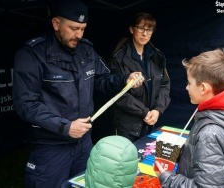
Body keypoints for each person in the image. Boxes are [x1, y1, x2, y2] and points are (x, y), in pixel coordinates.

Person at [12, 0, 144, 187]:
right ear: (56, 24)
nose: (79, 35)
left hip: (84, 144)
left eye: (83, 29)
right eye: (74, 28)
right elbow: (25, 104)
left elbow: (102, 80)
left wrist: (124, 80)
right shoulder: (33, 54)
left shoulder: (86, 49)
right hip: (52, 147)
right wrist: (65, 127)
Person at [154, 48, 224, 187]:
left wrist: (167, 179)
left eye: (189, 83)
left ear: (203, 88)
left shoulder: (209, 134)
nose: (186, 88)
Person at [107, 12, 171, 142]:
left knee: (144, 159)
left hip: (149, 121)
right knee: (125, 159)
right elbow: (117, 93)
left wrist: (158, 110)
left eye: (149, 29)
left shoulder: (157, 56)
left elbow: (165, 84)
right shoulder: (119, 57)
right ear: (131, 29)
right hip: (127, 125)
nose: (145, 33)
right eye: (141, 28)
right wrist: (144, 112)